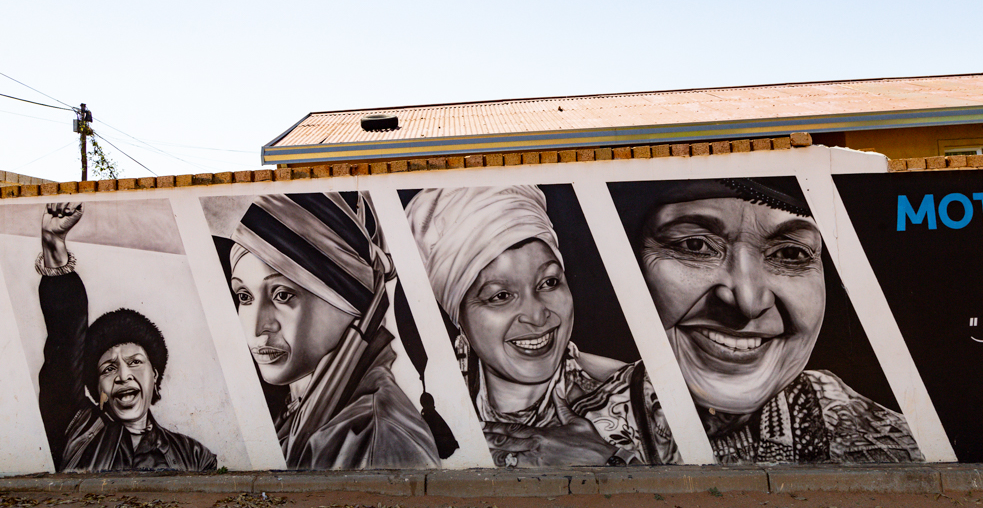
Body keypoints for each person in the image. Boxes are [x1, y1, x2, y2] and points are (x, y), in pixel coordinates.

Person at [633, 177, 923, 463]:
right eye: (695, 246)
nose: (748, 301)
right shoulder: (592, 422)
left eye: (790, 253)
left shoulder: (888, 444)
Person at [406, 185, 678, 467]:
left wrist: (609, 462)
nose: (537, 316)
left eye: (549, 282)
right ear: (458, 315)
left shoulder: (646, 399)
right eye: (500, 296)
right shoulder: (421, 407)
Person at [228, 191, 440, 469]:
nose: (258, 327)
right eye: (244, 296)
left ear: (348, 302)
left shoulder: (377, 436)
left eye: (282, 295)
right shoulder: (300, 410)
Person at [36, 202, 217, 472]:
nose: (123, 376)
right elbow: (65, 338)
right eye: (108, 368)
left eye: (135, 362)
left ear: (155, 375)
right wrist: (54, 243)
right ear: (97, 387)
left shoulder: (195, 456)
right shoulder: (75, 428)